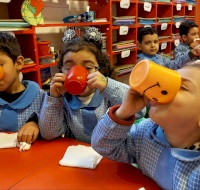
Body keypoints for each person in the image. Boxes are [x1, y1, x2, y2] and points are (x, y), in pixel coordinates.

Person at [91, 62, 200, 190]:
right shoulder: (147, 133)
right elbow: (103, 146)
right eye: (171, 81)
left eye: (182, 87)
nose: (165, 87)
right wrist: (123, 112)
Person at [38, 27, 146, 144]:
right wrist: (54, 98)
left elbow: (140, 111)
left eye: (88, 68)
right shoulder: (63, 100)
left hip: (113, 153)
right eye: (69, 68)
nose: (77, 73)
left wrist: (107, 85)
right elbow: (49, 134)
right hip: (79, 156)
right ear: (61, 70)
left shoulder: (108, 95)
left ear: (100, 69)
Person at [0, 32, 45, 143]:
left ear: (19, 63)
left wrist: (36, 122)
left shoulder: (40, 97)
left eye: (0, 64)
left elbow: (52, 125)